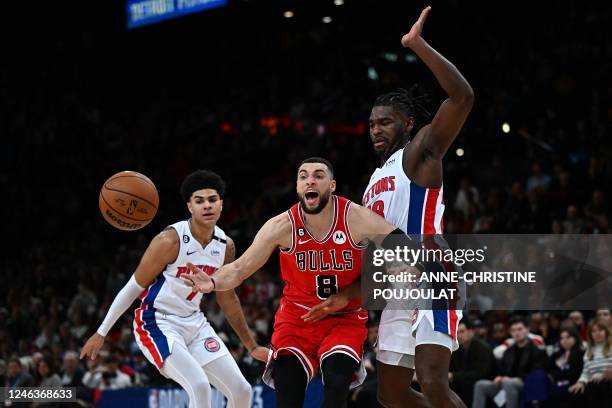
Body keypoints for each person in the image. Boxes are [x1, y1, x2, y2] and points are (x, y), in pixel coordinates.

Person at [183, 157, 421, 408]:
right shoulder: (281, 226)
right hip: (297, 319)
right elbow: (240, 268)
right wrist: (211, 280)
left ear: (332, 185)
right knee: (288, 393)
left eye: (318, 175)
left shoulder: (356, 218)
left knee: (336, 385)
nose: (310, 180)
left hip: (344, 318)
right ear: (298, 187)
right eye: (303, 176)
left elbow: (407, 250)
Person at [362, 6, 474, 408]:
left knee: (431, 380)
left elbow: (462, 97)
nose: (376, 129)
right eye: (373, 123)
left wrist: (417, 45)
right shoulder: (374, 181)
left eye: (386, 122)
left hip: (432, 271)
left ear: (407, 124)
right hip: (396, 285)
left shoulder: (418, 154)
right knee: (390, 395)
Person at [81, 170, 266, 408]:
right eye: (199, 201)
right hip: (157, 322)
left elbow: (228, 298)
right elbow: (133, 286)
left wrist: (250, 345)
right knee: (199, 386)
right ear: (189, 206)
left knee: (242, 392)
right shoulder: (170, 240)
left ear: (221, 204)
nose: (207, 206)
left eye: (212, 200)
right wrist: (102, 331)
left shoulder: (225, 246)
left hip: (195, 323)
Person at [472, 317, 547, 408]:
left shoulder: (536, 349)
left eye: (520, 329)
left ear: (527, 329)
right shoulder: (508, 351)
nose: (517, 333)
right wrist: (499, 377)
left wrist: (519, 378)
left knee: (509, 383)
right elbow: (502, 369)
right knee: (480, 384)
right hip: (506, 382)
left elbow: (537, 373)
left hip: (525, 383)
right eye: (513, 330)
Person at [448, 320, 495, 406]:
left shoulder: (483, 348)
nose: (459, 336)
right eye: (457, 333)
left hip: (485, 382)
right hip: (464, 380)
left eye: (462, 332)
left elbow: (480, 373)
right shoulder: (457, 349)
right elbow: (451, 369)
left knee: (467, 385)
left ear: (471, 332)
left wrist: (454, 375)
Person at [568, 318, 612, 404]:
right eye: (593, 331)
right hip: (594, 384)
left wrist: (603, 375)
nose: (597, 333)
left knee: (600, 387)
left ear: (606, 331)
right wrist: (581, 382)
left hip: (608, 382)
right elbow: (586, 372)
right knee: (575, 392)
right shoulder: (589, 350)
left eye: (600, 330)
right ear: (590, 334)